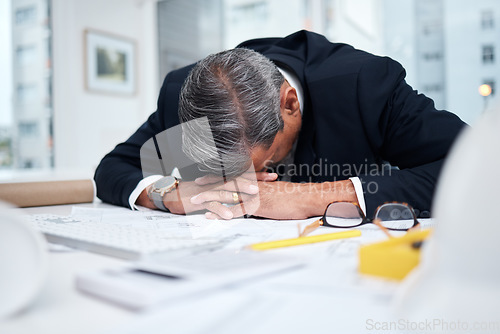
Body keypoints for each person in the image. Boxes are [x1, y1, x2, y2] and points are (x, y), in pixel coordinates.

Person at [94, 30, 466, 220]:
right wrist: (169, 195)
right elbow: (113, 169)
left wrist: (309, 197)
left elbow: (476, 169)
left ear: (290, 105)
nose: (249, 183)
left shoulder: (363, 85)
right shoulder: (182, 96)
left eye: (264, 164)